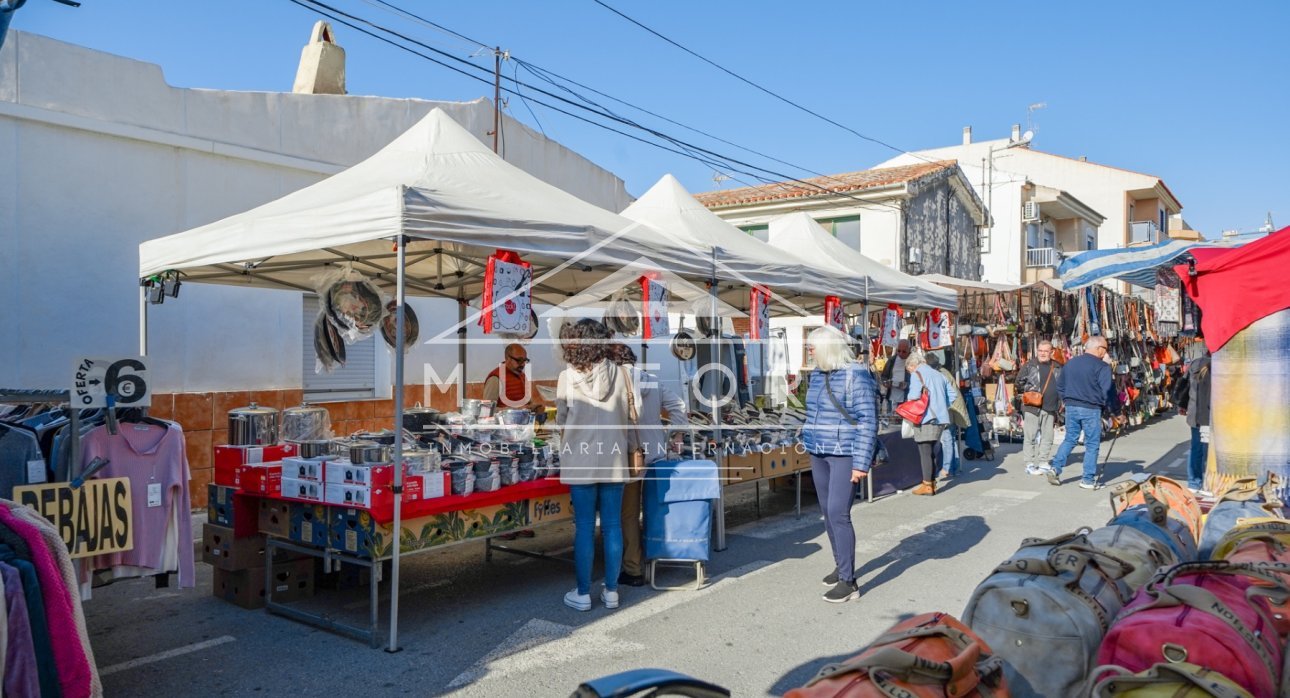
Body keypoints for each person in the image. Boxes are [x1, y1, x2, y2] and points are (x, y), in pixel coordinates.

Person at [555, 319, 632, 611]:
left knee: (584, 528)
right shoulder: (622, 374)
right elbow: (630, 414)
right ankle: (611, 591)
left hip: (579, 458)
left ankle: (583, 593)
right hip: (614, 457)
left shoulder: (567, 376)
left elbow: (561, 420)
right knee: (612, 526)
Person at [801, 326, 879, 603]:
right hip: (818, 450)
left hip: (845, 453)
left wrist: (861, 463)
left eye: (813, 346)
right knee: (827, 511)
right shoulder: (817, 374)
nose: (809, 351)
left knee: (838, 513)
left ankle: (849, 582)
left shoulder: (856, 375)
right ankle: (840, 564)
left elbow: (868, 420)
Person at [606, 343, 688, 587]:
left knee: (628, 515)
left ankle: (633, 568)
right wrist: (677, 435)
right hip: (657, 457)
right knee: (655, 509)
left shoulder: (614, 383)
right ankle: (658, 557)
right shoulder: (652, 380)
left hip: (630, 459)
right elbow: (679, 406)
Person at [1046, 336, 1116, 489]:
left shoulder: (1071, 363)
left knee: (1070, 438)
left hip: (1072, 406)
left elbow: (1060, 385)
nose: (1106, 353)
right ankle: (1087, 479)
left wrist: (1067, 399)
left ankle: (1055, 468)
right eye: (1105, 349)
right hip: (1091, 407)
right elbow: (1107, 391)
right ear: (1099, 349)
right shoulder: (1102, 367)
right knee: (1092, 443)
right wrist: (1113, 412)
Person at [905, 353, 958, 496]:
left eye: (909, 370)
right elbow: (953, 395)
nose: (910, 373)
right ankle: (932, 483)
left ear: (912, 365)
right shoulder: (939, 375)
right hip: (941, 418)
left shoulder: (917, 374)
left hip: (926, 417)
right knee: (932, 450)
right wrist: (941, 405)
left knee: (925, 451)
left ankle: (927, 485)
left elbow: (913, 396)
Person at [1017, 341, 1062, 476]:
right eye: (1040, 350)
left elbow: (1062, 384)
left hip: (1050, 406)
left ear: (1051, 352)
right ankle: (1029, 463)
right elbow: (1019, 382)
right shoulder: (1030, 365)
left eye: (1045, 351)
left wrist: (1060, 401)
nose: (1042, 353)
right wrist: (1029, 392)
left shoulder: (1057, 366)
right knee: (1030, 435)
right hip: (1032, 405)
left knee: (1048, 436)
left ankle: (1043, 461)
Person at [925, 353, 969, 480]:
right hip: (950, 409)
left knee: (947, 439)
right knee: (950, 439)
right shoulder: (944, 372)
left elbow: (945, 394)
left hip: (946, 410)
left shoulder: (939, 375)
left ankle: (947, 468)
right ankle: (953, 467)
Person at [1176, 348, 1213, 497]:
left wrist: (1182, 404)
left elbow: (1184, 386)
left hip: (1196, 413)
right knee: (1210, 450)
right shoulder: (1220, 364)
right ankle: (1209, 483)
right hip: (1211, 414)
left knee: (1197, 447)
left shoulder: (1195, 363)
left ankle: (1194, 482)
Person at [482, 343, 544, 410]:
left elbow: (528, 403)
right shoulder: (495, 379)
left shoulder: (522, 376)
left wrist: (534, 408)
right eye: (519, 360)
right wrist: (517, 410)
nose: (523, 364)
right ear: (507, 358)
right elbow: (486, 409)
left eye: (524, 360)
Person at [880, 339, 912, 411]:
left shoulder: (913, 361)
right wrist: (886, 383)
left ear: (909, 350)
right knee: (891, 416)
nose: (901, 353)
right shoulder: (892, 360)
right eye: (899, 351)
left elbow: (918, 382)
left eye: (904, 351)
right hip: (891, 397)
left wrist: (907, 385)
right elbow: (884, 376)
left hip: (906, 399)